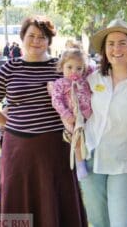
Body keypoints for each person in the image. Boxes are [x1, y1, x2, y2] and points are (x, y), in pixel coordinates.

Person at [0, 15, 87, 227]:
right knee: (18, 202)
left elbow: (81, 89)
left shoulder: (60, 67)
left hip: (56, 148)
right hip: (18, 151)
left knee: (56, 201)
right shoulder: (8, 68)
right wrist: (11, 123)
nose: (36, 41)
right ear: (23, 37)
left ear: (49, 41)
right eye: (31, 36)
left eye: (42, 37)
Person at [79, 19, 127, 227]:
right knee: (98, 221)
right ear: (104, 50)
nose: (116, 49)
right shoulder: (93, 79)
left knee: (122, 223)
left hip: (126, 161)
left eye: (122, 43)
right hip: (92, 158)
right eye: (111, 43)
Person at [50, 47, 92, 179]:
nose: (74, 71)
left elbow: (88, 95)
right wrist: (66, 114)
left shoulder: (83, 81)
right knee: (77, 138)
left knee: (90, 137)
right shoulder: (60, 83)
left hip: (87, 116)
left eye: (79, 68)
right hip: (71, 117)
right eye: (69, 67)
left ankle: (90, 156)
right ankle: (80, 165)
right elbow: (56, 100)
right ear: (62, 67)